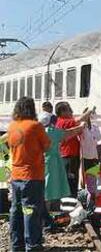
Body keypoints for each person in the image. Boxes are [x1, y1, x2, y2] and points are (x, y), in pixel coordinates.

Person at [8, 97, 51, 251]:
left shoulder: (12, 126)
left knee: (16, 210)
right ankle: (32, 245)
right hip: (32, 176)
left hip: (16, 176)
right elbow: (47, 145)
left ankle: (16, 245)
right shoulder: (35, 126)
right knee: (30, 210)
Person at [39, 114, 85, 228]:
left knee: (43, 190)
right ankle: (45, 220)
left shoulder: (38, 131)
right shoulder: (52, 131)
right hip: (52, 163)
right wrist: (82, 125)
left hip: (40, 162)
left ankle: (43, 218)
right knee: (48, 192)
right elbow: (71, 132)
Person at [55, 102, 94, 197]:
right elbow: (79, 120)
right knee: (71, 182)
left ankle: (70, 203)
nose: (71, 111)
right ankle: (69, 204)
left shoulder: (64, 122)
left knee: (72, 182)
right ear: (62, 112)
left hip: (70, 157)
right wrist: (89, 111)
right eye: (68, 109)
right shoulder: (63, 122)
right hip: (68, 157)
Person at [79, 108, 101, 198]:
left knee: (92, 181)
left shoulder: (95, 127)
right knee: (83, 181)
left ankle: (92, 200)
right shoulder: (81, 127)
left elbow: (100, 142)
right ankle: (83, 199)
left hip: (94, 157)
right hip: (84, 157)